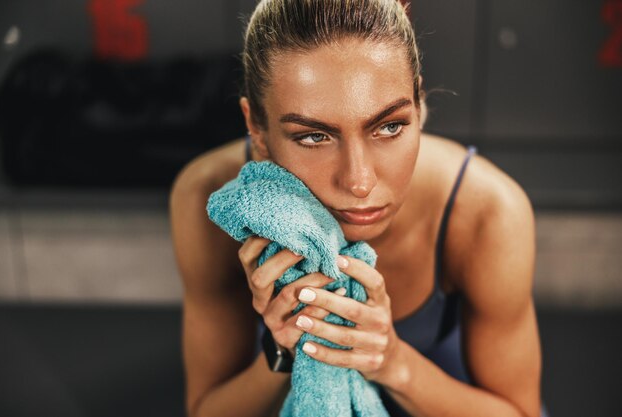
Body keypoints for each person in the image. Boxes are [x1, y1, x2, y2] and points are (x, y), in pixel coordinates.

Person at [169, 1, 548, 416]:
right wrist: (285, 349)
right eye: (314, 136)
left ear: (418, 107)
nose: (359, 181)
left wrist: (393, 361)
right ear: (255, 126)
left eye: (389, 126)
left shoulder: (486, 212)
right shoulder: (207, 198)